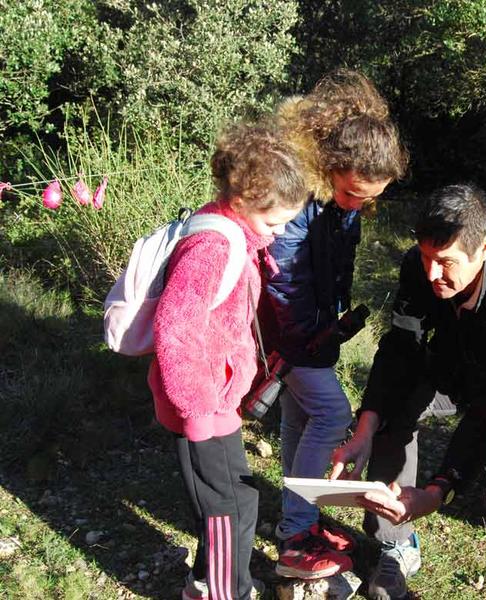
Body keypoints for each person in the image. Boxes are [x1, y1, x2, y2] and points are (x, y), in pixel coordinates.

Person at [332, 184, 486, 600]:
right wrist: (366, 428)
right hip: (444, 370)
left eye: (445, 262)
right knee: (396, 405)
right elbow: (399, 348)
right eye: (426, 257)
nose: (431, 274)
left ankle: (462, 478)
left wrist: (439, 488)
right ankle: (396, 540)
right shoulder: (419, 265)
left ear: (483, 248)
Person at [148, 122, 306, 600]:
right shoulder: (212, 247)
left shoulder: (237, 236)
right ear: (241, 199)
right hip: (199, 404)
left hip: (217, 398)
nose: (279, 234)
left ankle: (211, 581)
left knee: (236, 497)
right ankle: (224, 592)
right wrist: (197, 412)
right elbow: (176, 330)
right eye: (274, 222)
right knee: (228, 506)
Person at [261, 69, 409, 580]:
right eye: (352, 194)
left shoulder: (339, 197)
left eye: (369, 199)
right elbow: (282, 277)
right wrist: (306, 338)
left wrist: (333, 322)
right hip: (287, 332)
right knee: (331, 411)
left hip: (315, 329)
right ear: (329, 166)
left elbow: (334, 260)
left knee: (299, 419)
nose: (359, 205)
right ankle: (297, 531)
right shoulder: (296, 190)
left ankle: (293, 521)